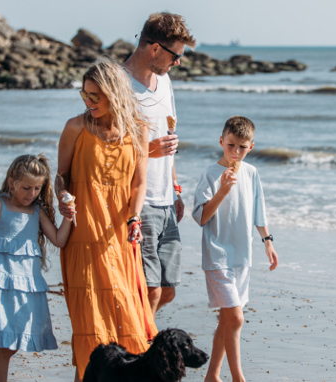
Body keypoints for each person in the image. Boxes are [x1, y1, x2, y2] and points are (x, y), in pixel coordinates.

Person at [55, 59, 156, 381]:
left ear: (115, 93)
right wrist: (62, 197)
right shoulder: (75, 127)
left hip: (121, 236)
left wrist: (135, 217)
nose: (88, 102)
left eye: (95, 96)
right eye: (85, 94)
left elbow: (139, 182)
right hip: (82, 234)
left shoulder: (138, 129)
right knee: (89, 324)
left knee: (123, 317)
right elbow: (60, 176)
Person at [0, 154, 73, 382]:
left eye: (36, 188)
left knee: (10, 343)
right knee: (6, 345)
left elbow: (59, 240)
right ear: (12, 182)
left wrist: (69, 218)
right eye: (25, 188)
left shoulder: (37, 212)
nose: (31, 194)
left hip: (24, 289)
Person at [191, 116, 279, 382]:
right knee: (236, 319)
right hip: (217, 256)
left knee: (226, 319)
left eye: (242, 147)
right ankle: (238, 378)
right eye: (231, 145)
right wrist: (221, 191)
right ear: (221, 142)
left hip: (242, 256)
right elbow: (201, 217)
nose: (236, 152)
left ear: (251, 147)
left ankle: (212, 376)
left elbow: (258, 211)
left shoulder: (251, 173)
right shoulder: (210, 174)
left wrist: (268, 242)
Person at [122, 12, 197, 315]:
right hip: (139, 199)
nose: (178, 62)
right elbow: (104, 148)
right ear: (154, 49)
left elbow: (169, 139)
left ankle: (137, 347)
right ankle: (140, 355)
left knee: (166, 291)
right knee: (149, 289)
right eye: (176, 55)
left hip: (166, 199)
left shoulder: (164, 83)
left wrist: (176, 189)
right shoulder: (118, 85)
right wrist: (147, 151)